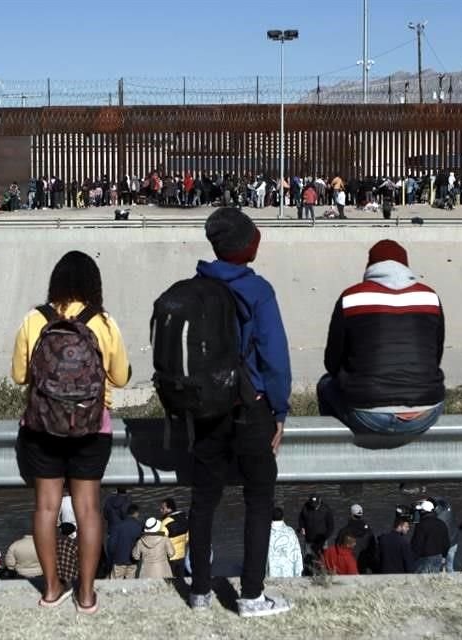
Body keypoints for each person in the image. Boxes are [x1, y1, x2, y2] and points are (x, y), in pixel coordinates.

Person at [185, 207, 292, 617]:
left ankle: (199, 593)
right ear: (249, 245)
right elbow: (275, 360)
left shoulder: (196, 286)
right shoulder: (258, 291)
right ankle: (250, 595)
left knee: (203, 499)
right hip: (251, 408)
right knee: (260, 498)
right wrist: (280, 411)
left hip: (208, 410)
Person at [11, 250, 131, 613]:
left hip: (42, 427)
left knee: (46, 508)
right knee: (89, 510)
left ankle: (50, 590)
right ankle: (87, 594)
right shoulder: (103, 322)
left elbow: (19, 376)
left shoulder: (36, 319)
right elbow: (121, 378)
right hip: (93, 427)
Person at [318, 240, 444, 449]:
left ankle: (339, 458)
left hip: (368, 414)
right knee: (430, 386)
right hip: (426, 412)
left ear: (370, 266)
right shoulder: (429, 297)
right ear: (406, 266)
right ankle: (415, 476)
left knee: (325, 385)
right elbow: (435, 357)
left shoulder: (352, 297)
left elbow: (332, 362)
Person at [334, 503, 377, 574]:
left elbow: (337, 548)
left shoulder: (344, 531)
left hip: (348, 564)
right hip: (363, 563)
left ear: (351, 514)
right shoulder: (368, 530)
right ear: (362, 514)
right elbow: (373, 548)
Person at [411, 500, 450, 573]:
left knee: (421, 581)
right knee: (434, 580)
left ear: (423, 512)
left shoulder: (421, 525)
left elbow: (417, 544)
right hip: (438, 557)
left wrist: (412, 558)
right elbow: (446, 543)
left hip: (424, 558)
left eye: (420, 511)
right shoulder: (442, 524)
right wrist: (443, 556)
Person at [108, 504, 143, 579]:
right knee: (130, 585)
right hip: (133, 561)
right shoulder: (140, 526)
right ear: (136, 513)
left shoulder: (117, 526)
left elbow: (111, 545)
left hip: (118, 560)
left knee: (115, 585)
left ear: (127, 513)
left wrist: (112, 558)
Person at [267, 507, 303, 578]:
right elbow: (297, 552)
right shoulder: (290, 531)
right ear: (283, 518)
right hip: (288, 574)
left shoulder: (265, 533)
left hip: (271, 575)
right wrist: (298, 572)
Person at [159, 498, 189, 577]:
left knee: (170, 580)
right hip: (181, 556)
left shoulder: (165, 522)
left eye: (163, 508)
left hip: (169, 558)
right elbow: (187, 538)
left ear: (169, 508)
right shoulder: (185, 519)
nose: (160, 510)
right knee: (180, 579)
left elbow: (161, 541)